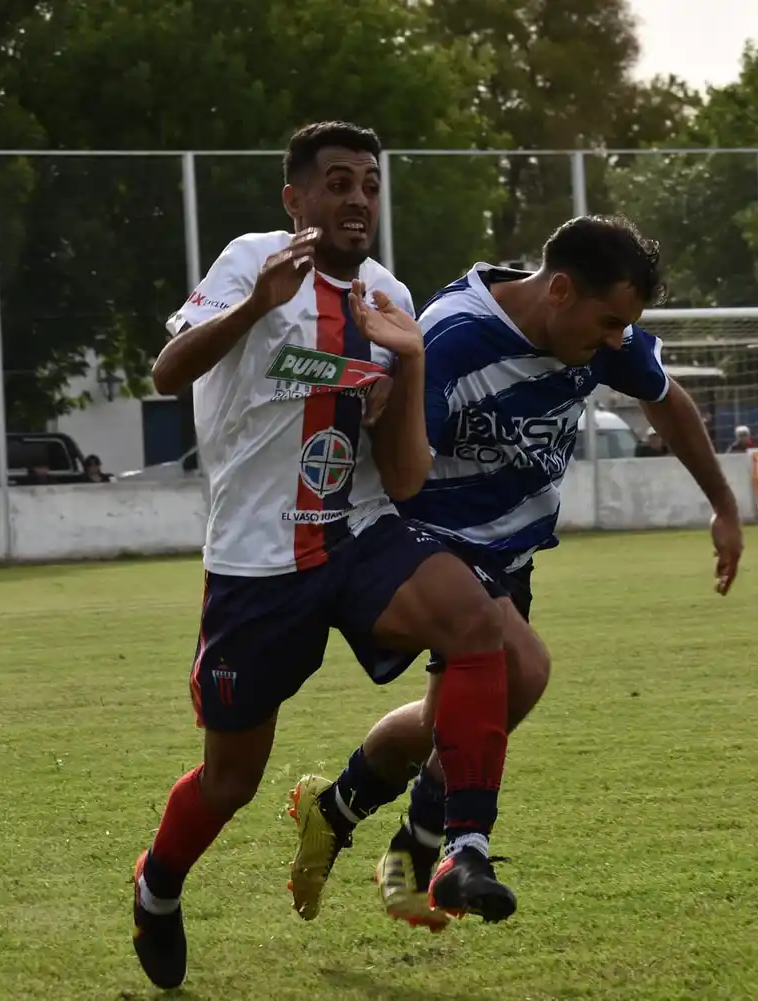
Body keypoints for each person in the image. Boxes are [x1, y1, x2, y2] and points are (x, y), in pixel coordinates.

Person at [130, 121, 517, 990]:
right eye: (337, 182)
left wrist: (408, 365)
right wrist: (257, 305)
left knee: (476, 622)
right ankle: (157, 886)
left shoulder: (389, 293)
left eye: (370, 184)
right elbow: (167, 371)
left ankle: (459, 847)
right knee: (232, 780)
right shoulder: (252, 261)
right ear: (295, 198)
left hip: (358, 529)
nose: (357, 199)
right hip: (259, 557)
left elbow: (409, 477)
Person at [286, 215, 744, 932]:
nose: (619, 339)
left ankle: (338, 808)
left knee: (454, 725)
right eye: (611, 320)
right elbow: (399, 467)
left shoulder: (599, 338)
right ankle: (447, 850)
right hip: (423, 538)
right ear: (559, 289)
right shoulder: (453, 338)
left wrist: (724, 506)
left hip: (510, 552)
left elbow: (667, 400)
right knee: (522, 671)